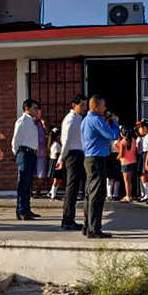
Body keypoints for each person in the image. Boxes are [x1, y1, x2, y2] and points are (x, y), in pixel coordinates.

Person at [79, 96, 120, 238]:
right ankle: (94, 230)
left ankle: (87, 226)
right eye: (103, 106)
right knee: (97, 194)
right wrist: (115, 122)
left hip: (89, 158)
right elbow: (113, 135)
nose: (105, 108)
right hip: (97, 159)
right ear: (96, 106)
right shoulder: (96, 120)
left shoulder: (86, 120)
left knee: (90, 194)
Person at [58, 96, 87, 230]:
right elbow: (66, 141)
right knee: (71, 188)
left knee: (75, 189)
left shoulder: (79, 119)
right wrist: (61, 159)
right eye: (82, 105)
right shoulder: (70, 119)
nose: (84, 108)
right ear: (74, 105)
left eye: (85, 105)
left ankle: (70, 218)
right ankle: (67, 219)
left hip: (79, 154)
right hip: (72, 155)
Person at [12, 99, 43, 220]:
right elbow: (16, 140)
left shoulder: (32, 121)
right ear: (27, 109)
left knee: (29, 183)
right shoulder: (22, 121)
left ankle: (27, 209)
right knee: (23, 183)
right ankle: (21, 211)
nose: (37, 111)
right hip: (24, 153)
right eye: (35, 108)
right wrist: (17, 154)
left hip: (31, 153)